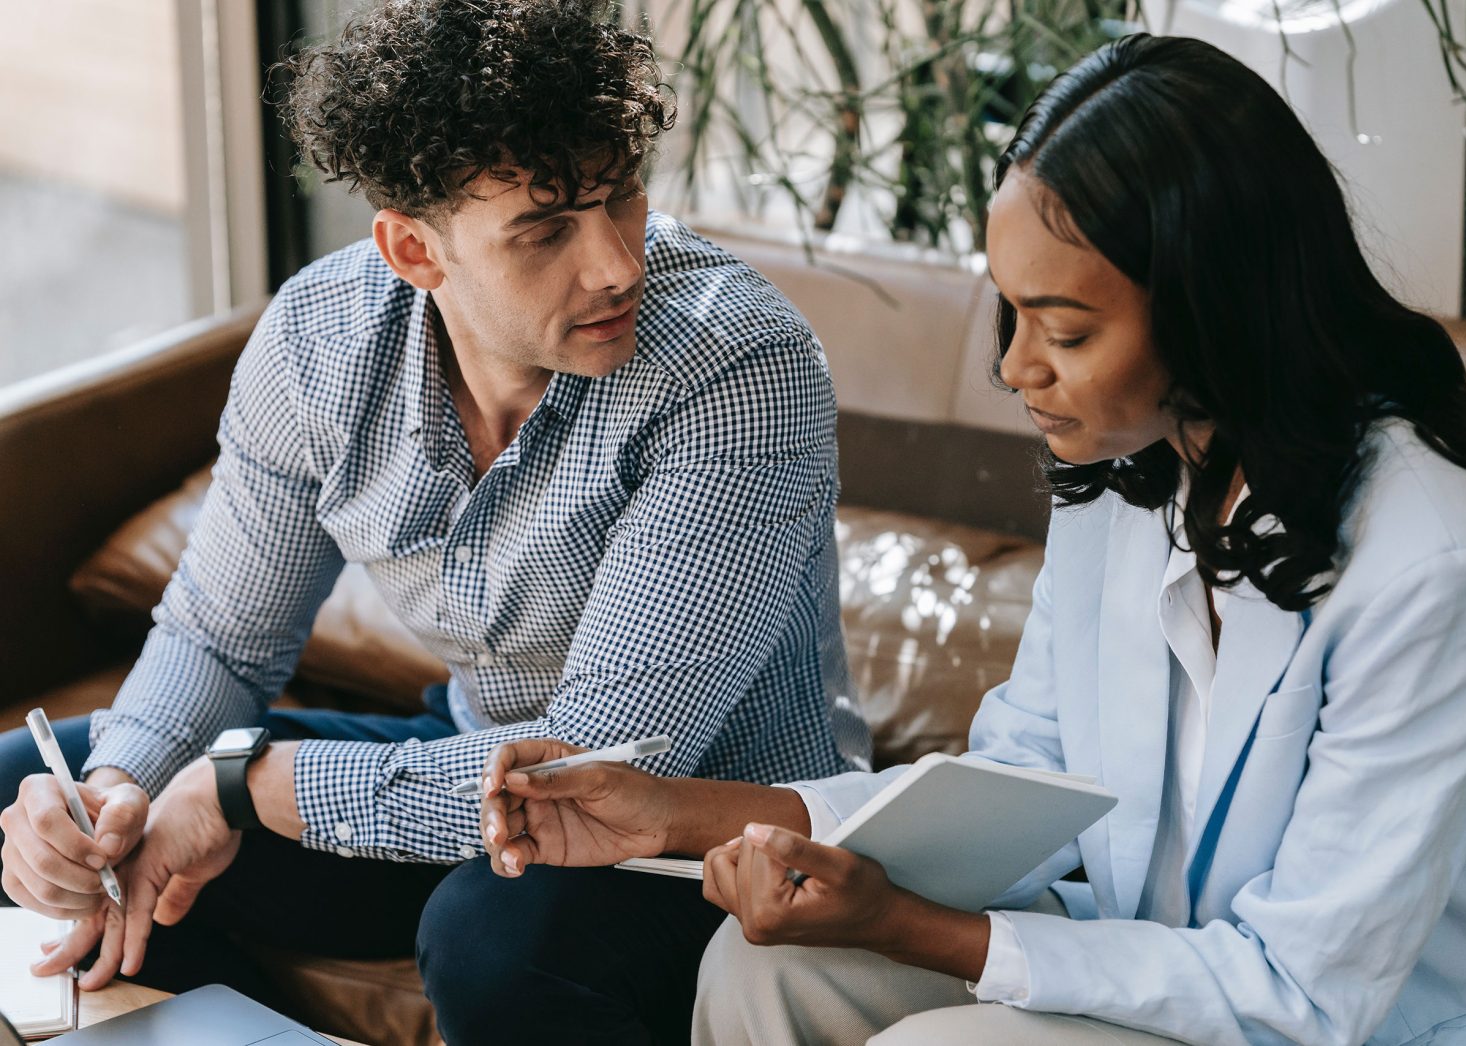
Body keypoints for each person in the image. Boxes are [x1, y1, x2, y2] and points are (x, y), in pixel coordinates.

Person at [474, 34, 1466, 1045]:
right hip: (1170, 959)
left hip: (1361, 1019)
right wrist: (667, 811)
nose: (1015, 367)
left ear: (1212, 306)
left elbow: (1301, 988)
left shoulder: (1438, 567)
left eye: (1067, 328)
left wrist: (910, 925)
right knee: (765, 972)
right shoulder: (1132, 467)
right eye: (1011, 313)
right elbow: (1023, 782)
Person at [0, 1, 868, 1042]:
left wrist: (245, 784)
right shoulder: (318, 343)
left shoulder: (738, 364)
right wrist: (114, 790)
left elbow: (597, 767)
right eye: (545, 231)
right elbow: (220, 635)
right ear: (413, 249)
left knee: (495, 933)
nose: (615, 264)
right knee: (41, 792)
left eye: (621, 197)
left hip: (695, 824)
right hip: (464, 758)